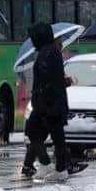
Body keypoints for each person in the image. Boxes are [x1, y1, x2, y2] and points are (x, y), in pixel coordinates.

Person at [26, 23, 88, 181]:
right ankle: (56, 166)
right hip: (51, 103)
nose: (33, 41)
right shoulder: (49, 52)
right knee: (53, 135)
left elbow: (47, 81)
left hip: (48, 104)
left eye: (34, 37)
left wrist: (41, 102)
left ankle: (56, 167)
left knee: (42, 133)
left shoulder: (48, 53)